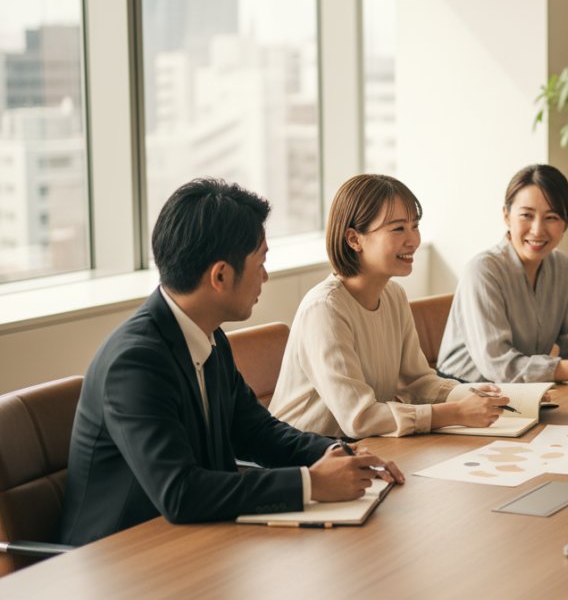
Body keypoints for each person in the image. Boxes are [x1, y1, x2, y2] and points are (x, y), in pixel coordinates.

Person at [60, 179, 402, 546]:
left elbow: (255, 431)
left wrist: (335, 452)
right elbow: (180, 492)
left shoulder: (208, 337)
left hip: (197, 542)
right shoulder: (135, 363)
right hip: (116, 559)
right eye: (261, 262)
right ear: (221, 275)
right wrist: (312, 483)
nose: (265, 276)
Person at [269, 175, 508, 439]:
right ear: (353, 239)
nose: (413, 240)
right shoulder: (325, 309)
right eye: (397, 229)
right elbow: (359, 418)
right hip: (304, 458)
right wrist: (455, 413)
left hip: (361, 449)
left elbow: (416, 381)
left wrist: (473, 394)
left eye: (414, 226)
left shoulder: (393, 295)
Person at [437, 164, 568, 383]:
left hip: (523, 391)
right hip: (464, 392)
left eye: (551, 217)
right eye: (526, 215)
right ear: (506, 216)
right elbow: (500, 365)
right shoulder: (483, 271)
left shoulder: (560, 266)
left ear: (567, 220)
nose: (538, 230)